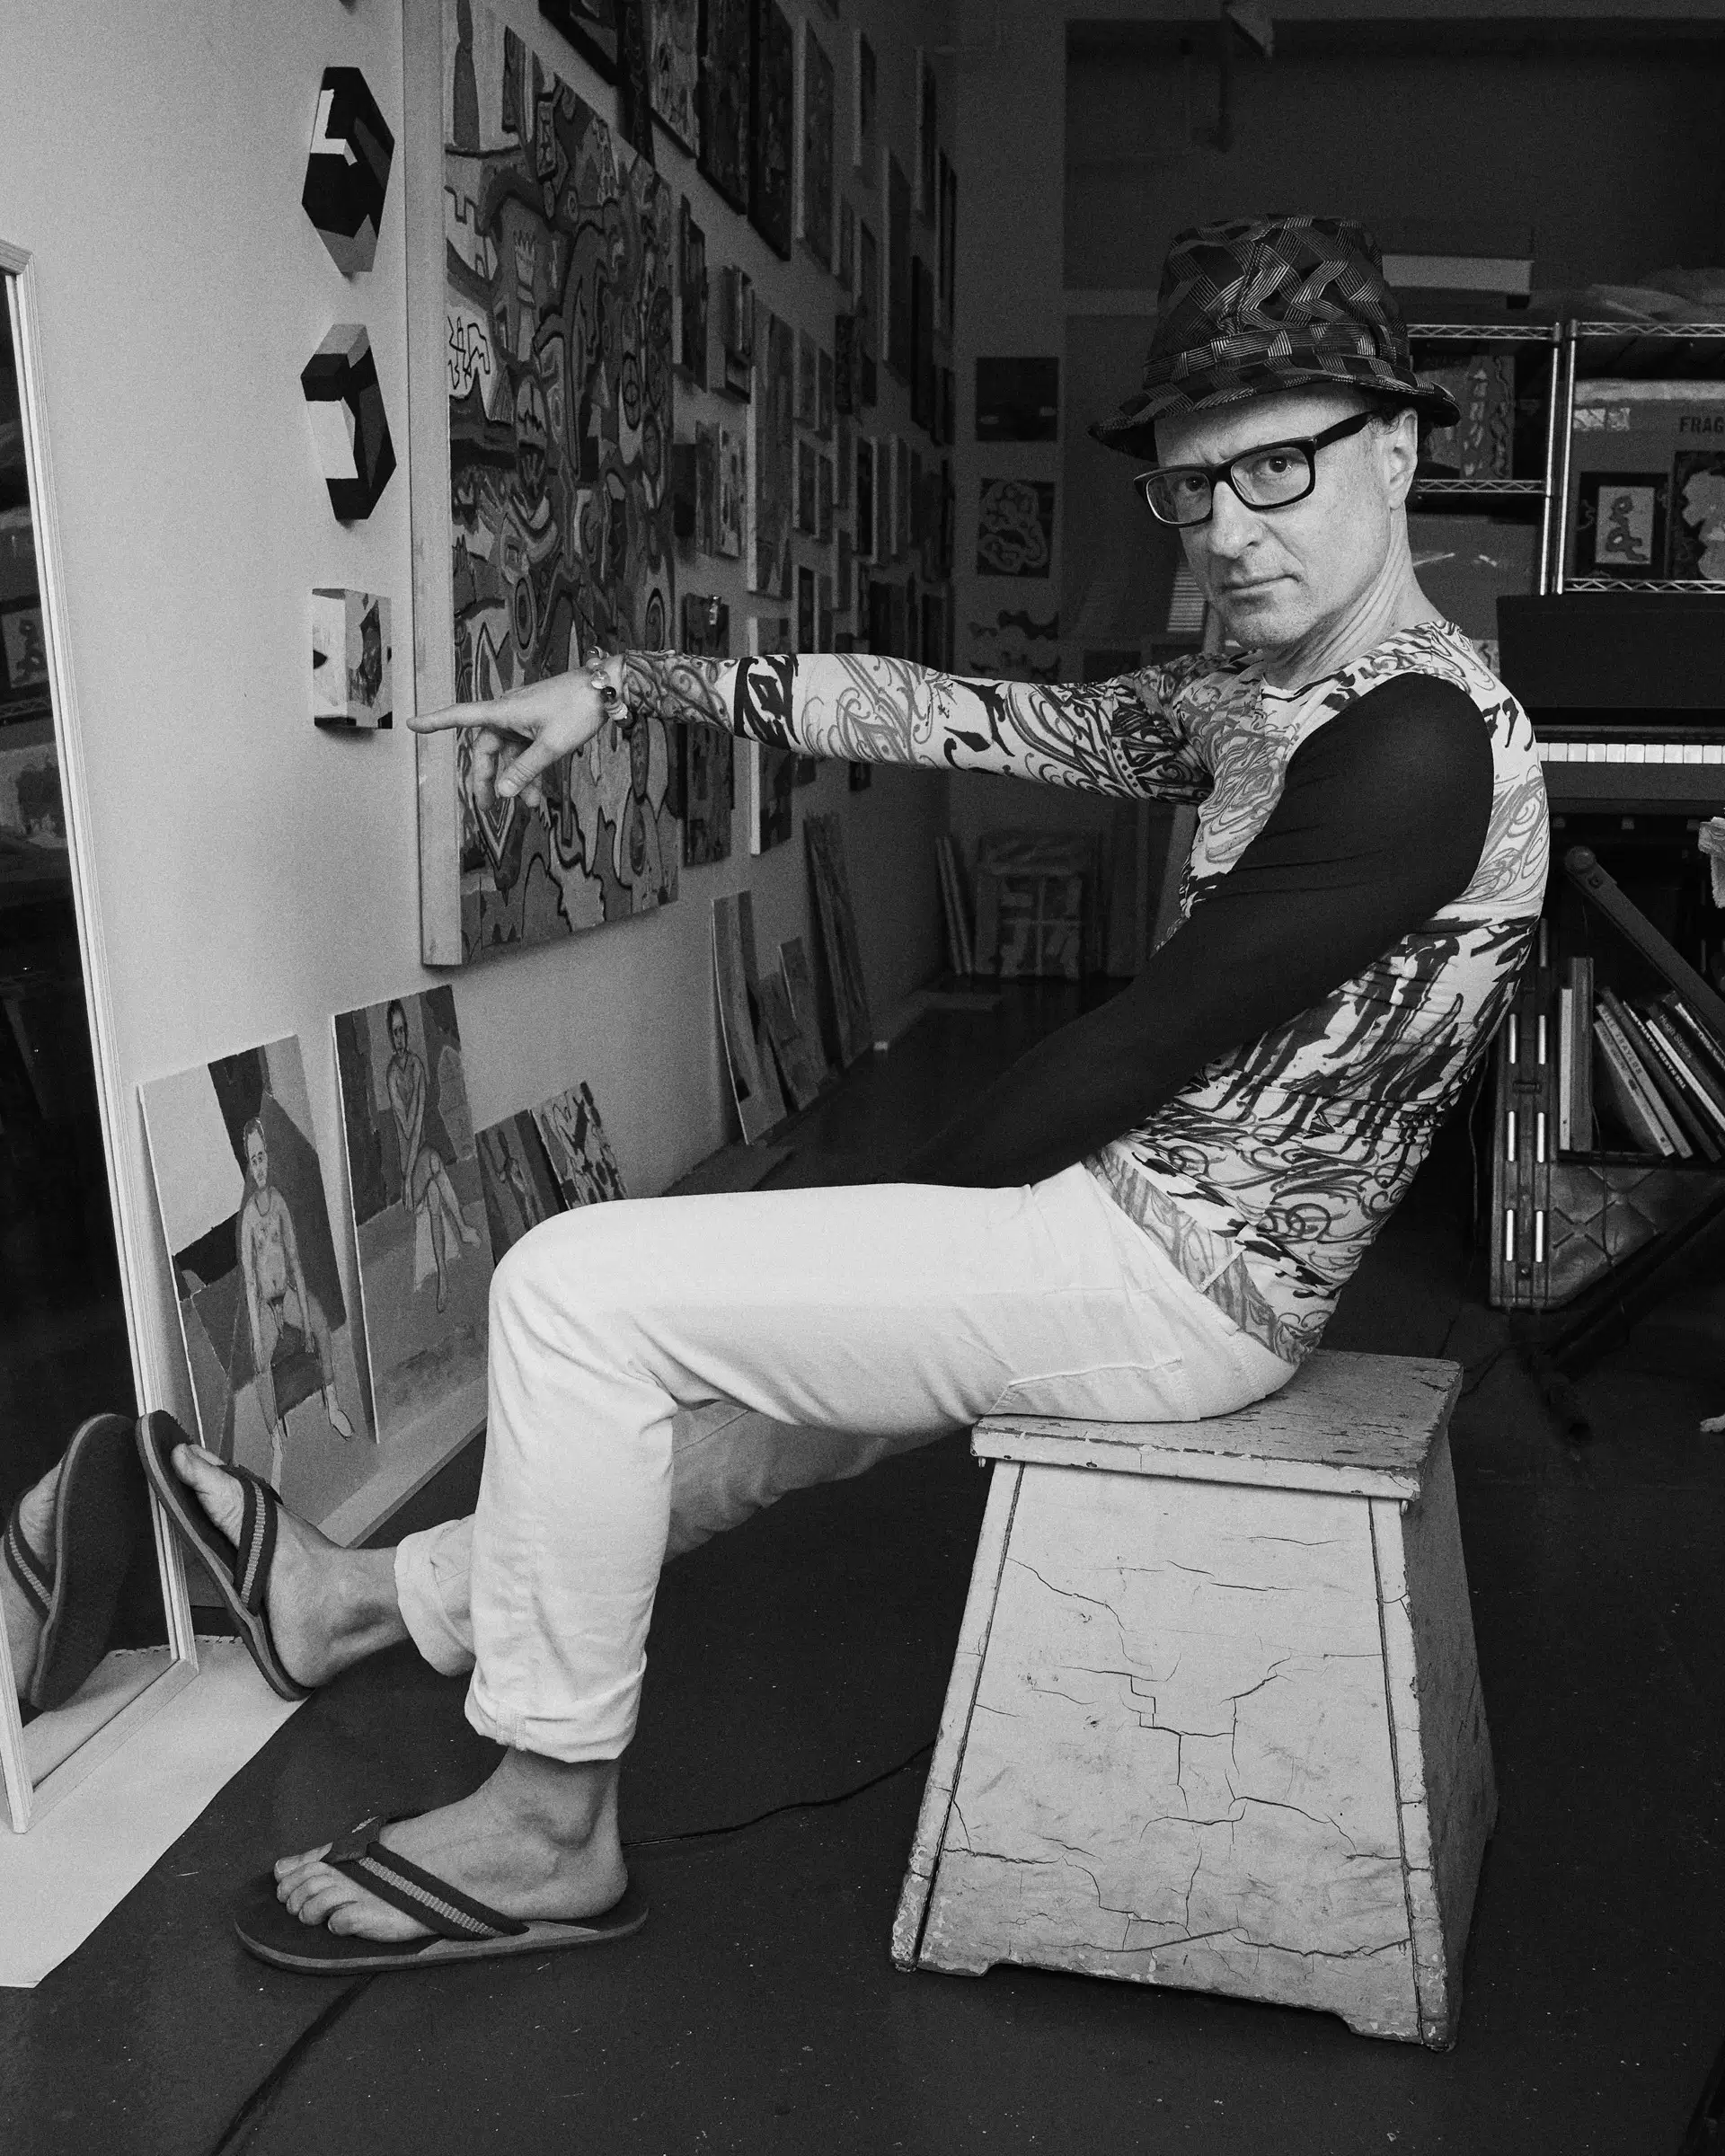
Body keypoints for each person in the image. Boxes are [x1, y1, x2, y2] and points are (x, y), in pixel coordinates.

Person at [164, 215, 1549, 1968]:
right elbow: (952, 716)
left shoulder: (1418, 740)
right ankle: (355, 1602)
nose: (1228, 529)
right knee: (745, 1429)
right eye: (1193, 487)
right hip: (1131, 1238)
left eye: (1278, 468)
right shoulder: (1266, 696)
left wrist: (887, 1233)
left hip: (1182, 1279)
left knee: (575, 1293)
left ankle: (545, 1827)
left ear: (1400, 448)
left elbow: (1141, 1043)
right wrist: (627, 683)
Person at [238, 1115, 357, 1480]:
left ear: (269, 1158)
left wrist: (304, 1316)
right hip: (265, 1306)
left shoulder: (279, 1204)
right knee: (260, 1365)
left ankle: (332, 1403)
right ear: (248, 1165)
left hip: (287, 1296)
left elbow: (295, 1261)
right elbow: (250, 1283)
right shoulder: (248, 1219)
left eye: (262, 1157)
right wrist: (258, 1335)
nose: (260, 1166)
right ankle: (277, 1443)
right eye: (253, 1160)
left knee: (320, 1324)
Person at [385, 998, 481, 1314]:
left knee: (436, 1203)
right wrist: (405, 1180)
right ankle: (463, 1227)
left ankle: (443, 1276)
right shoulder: (392, 1074)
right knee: (433, 1161)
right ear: (390, 1036)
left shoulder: (417, 1066)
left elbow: (415, 1123)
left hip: (421, 1158)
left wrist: (414, 1106)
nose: (400, 1037)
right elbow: (405, 1127)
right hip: (410, 1170)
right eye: (394, 1032)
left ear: (408, 1031)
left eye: (403, 1030)